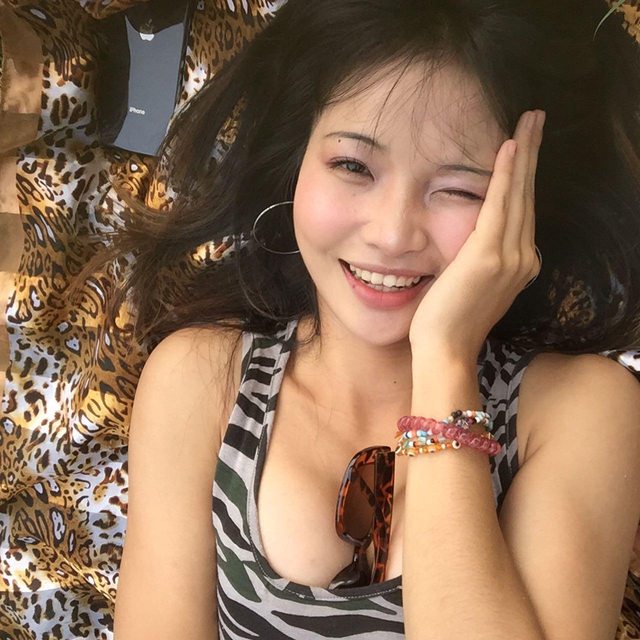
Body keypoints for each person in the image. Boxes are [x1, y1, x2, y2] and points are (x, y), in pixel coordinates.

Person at [112, 0, 640, 638]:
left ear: (524, 203)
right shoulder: (201, 381)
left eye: (460, 189)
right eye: (353, 166)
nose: (391, 235)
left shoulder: (581, 410)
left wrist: (444, 360)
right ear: (296, 160)